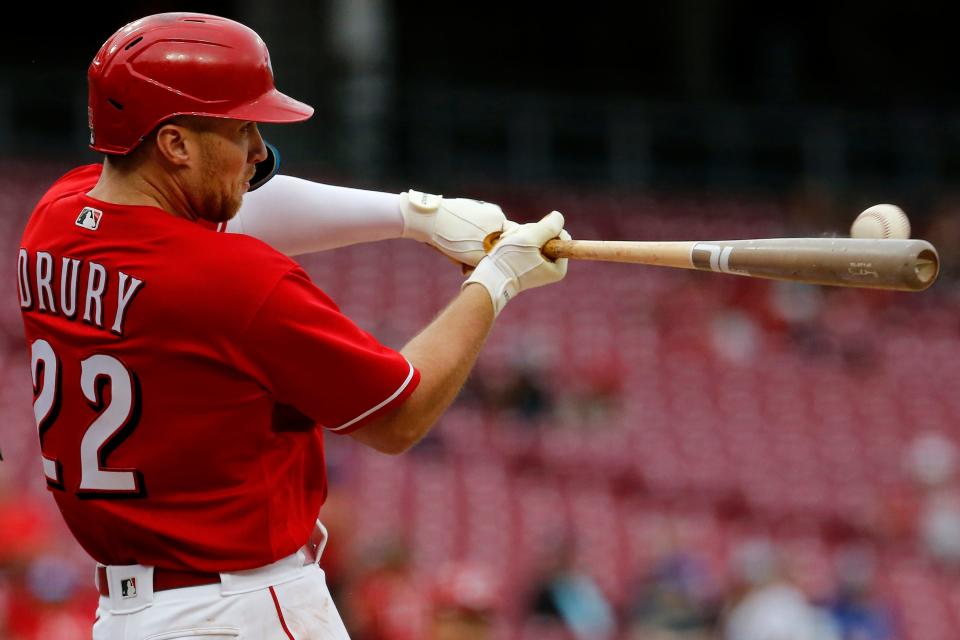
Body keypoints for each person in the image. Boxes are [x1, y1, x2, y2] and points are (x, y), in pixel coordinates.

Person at [16, 12, 570, 639]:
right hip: (241, 609)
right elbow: (400, 413)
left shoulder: (55, 220)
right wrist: (496, 282)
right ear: (174, 144)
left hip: (127, 616)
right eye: (243, 128)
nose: (260, 154)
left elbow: (229, 211)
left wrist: (416, 215)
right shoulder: (240, 282)